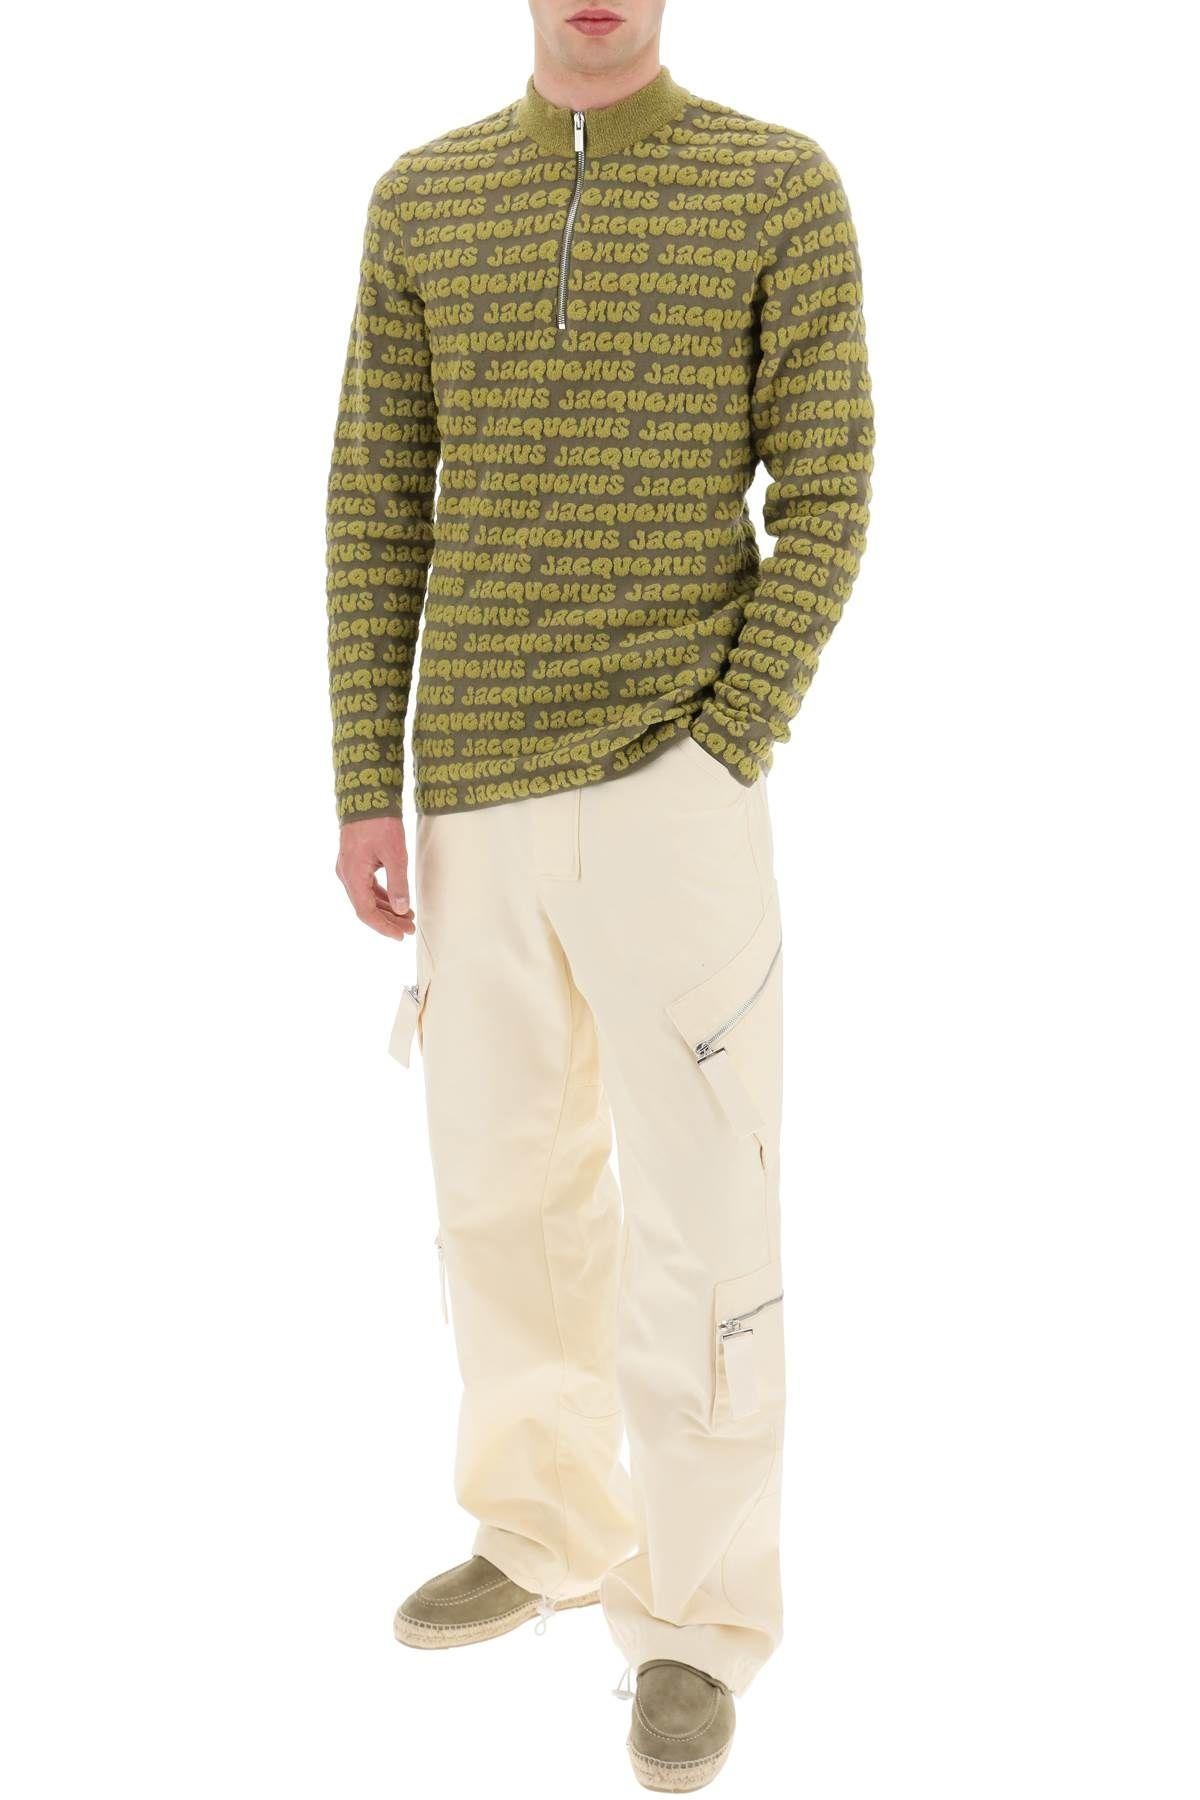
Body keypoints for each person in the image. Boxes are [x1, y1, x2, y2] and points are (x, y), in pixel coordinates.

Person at [326, 1, 872, 1788]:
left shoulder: (773, 185)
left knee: (705, 1212)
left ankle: (696, 1622)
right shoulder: (424, 199)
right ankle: (545, 1526)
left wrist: (728, 737)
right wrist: (366, 779)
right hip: (472, 787)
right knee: (501, 1188)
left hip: (673, 785)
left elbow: (831, 486)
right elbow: (375, 500)